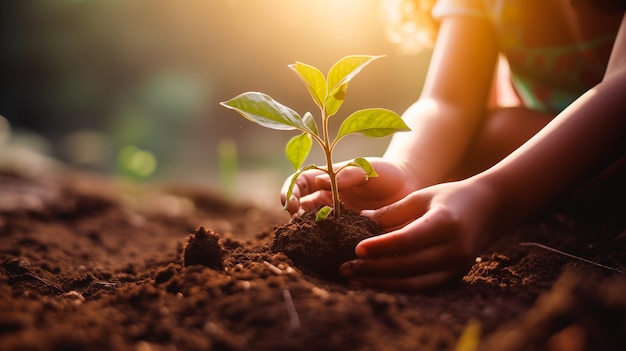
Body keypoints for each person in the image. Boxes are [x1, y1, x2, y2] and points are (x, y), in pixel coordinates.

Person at [281, 0, 626, 292]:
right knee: (486, 134)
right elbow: (449, 102)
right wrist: (407, 168)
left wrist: (492, 198)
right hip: (540, 145)